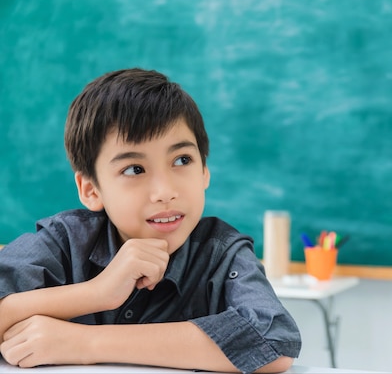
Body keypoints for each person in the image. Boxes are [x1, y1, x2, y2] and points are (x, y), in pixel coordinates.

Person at [0, 68, 302, 373]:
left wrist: (85, 343)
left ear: (204, 170)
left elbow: (272, 344)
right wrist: (95, 293)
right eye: (134, 169)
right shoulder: (65, 241)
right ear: (91, 190)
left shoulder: (221, 252)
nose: (165, 192)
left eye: (182, 160)